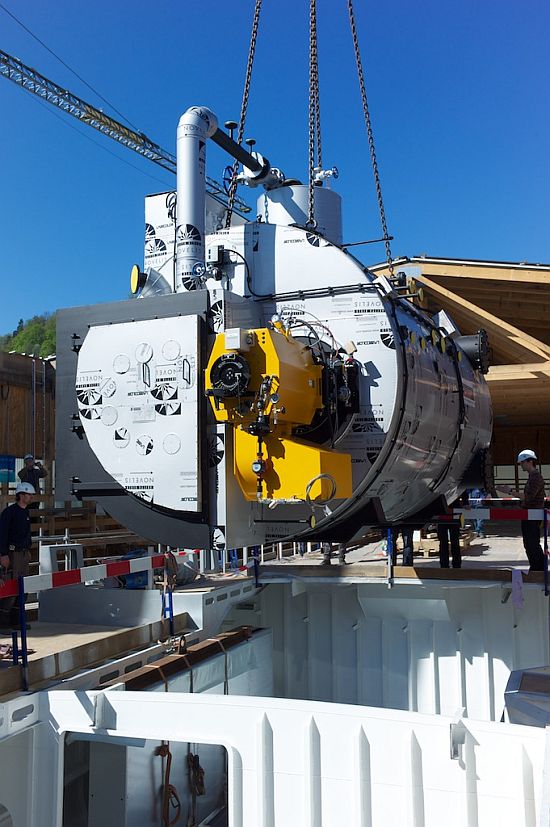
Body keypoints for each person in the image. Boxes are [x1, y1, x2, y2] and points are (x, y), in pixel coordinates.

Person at [499, 449, 546, 571]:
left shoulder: (535, 478)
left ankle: (539, 569)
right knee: (529, 544)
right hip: (529, 515)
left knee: (532, 544)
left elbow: (529, 497)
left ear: (529, 461)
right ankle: (536, 568)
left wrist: (509, 491)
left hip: (532, 516)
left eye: (522, 463)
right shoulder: (533, 477)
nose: (520, 465)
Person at [0, 482, 35, 629]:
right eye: (28, 494)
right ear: (21, 495)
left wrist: (28, 550)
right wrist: (3, 554)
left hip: (23, 554)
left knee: (22, 588)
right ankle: (3, 623)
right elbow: (2, 534)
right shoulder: (10, 512)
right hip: (12, 553)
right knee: (10, 587)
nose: (31, 497)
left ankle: (16, 620)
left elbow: (26, 533)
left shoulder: (26, 512)